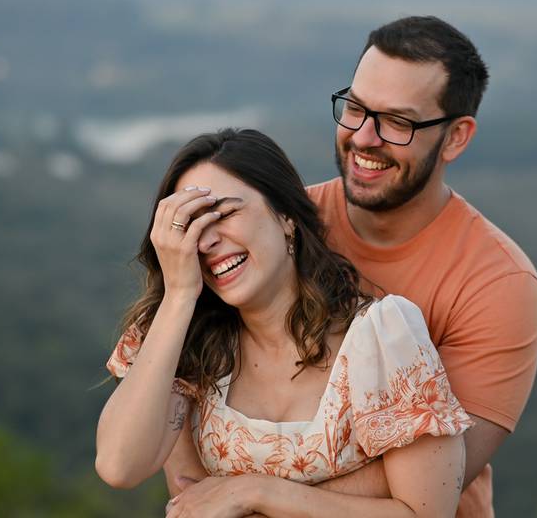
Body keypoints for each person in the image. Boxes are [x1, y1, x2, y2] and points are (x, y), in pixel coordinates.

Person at [163, 16, 537, 517]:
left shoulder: (497, 285)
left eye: (398, 122)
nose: (364, 138)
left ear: (455, 138)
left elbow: (431, 486)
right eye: (356, 109)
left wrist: (249, 489)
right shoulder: (276, 228)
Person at [96, 128, 473, 517]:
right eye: (190, 228)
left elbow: (426, 512)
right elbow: (119, 465)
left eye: (224, 214)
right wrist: (178, 296)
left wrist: (256, 492)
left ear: (286, 216)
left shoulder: (381, 336)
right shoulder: (190, 338)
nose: (206, 242)